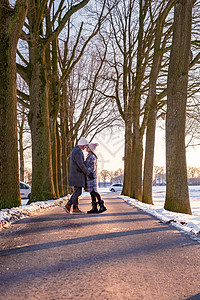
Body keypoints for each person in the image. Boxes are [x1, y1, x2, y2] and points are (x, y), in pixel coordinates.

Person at [64, 137, 94, 214]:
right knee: (78, 192)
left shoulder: (76, 150)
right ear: (82, 144)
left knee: (76, 191)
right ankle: (73, 207)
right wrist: (88, 173)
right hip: (77, 175)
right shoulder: (78, 151)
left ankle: (71, 206)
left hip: (76, 174)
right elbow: (81, 165)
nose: (85, 147)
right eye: (85, 146)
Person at [85, 143, 107, 214]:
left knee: (94, 191)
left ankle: (102, 205)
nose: (86, 148)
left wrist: (88, 171)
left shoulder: (92, 156)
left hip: (91, 176)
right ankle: (94, 208)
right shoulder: (89, 155)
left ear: (90, 149)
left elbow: (92, 167)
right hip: (89, 176)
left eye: (88, 147)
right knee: (91, 192)